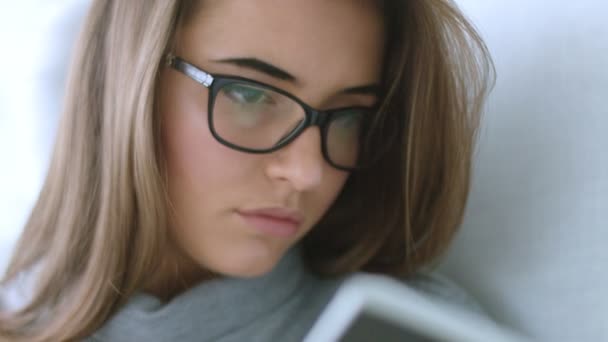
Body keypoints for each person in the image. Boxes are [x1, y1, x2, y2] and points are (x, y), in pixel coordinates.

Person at [0, 0, 494, 341]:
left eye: (349, 116)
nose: (307, 173)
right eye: (250, 94)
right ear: (131, 79)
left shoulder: (416, 330)